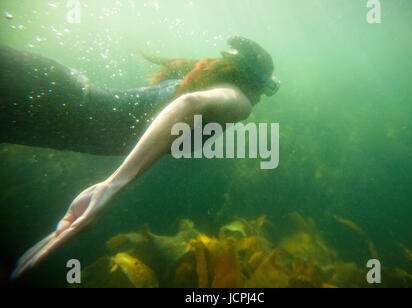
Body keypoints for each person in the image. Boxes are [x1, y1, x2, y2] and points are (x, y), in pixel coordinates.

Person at [9, 36, 280, 279]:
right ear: (255, 82)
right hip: (59, 106)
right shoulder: (240, 101)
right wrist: (112, 186)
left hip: (59, 105)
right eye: (267, 90)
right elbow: (190, 104)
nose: (260, 99)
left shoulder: (209, 86)